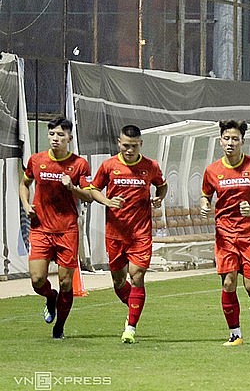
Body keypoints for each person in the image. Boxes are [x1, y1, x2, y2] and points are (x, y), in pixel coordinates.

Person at [200, 119, 250, 346]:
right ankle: (235, 334)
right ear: (220, 141)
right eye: (227, 138)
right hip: (224, 234)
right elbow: (205, 194)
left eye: (235, 139)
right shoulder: (212, 170)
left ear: (243, 141)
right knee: (228, 282)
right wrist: (205, 204)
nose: (231, 143)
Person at [89, 124, 167, 344]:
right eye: (125, 145)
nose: (129, 149)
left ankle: (130, 327)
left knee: (137, 275)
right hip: (115, 232)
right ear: (118, 143)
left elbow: (162, 186)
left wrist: (158, 198)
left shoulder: (150, 166)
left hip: (140, 233)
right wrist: (106, 201)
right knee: (118, 280)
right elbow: (93, 189)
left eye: (133, 146)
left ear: (140, 144)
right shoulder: (109, 166)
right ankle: (133, 304)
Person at [19, 117, 92, 339]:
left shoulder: (79, 164)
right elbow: (24, 184)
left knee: (66, 281)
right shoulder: (36, 160)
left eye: (60, 135)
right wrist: (25, 204)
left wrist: (73, 188)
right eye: (52, 134)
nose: (55, 139)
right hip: (40, 227)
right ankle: (50, 297)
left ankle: (59, 327)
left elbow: (89, 195)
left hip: (67, 229)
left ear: (69, 137)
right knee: (37, 279)